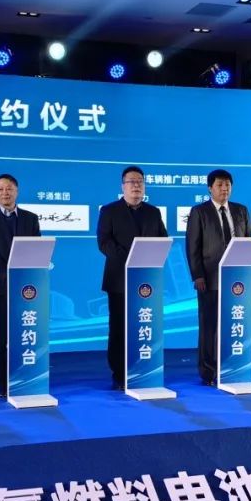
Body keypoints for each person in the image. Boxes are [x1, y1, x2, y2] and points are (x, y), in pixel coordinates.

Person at [96, 166, 168, 389]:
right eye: (131, 182)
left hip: (147, 281)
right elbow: (104, 243)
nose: (136, 185)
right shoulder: (109, 210)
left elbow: (163, 240)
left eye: (140, 182)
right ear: (123, 186)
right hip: (119, 278)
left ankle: (144, 367)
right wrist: (130, 258)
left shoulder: (153, 212)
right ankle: (119, 372)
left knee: (144, 324)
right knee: (119, 326)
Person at [185, 169, 251, 385]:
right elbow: (192, 247)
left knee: (235, 323)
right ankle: (209, 371)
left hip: (237, 280)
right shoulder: (199, 212)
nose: (224, 189)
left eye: (228, 185)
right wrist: (198, 276)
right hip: (209, 278)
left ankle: (232, 366)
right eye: (220, 185)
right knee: (209, 326)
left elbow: (248, 243)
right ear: (210, 188)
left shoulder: (241, 210)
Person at [0, 173, 40, 397]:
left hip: (26, 289)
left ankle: (26, 377)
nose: (5, 193)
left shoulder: (30, 218)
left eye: (9, 188)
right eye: (1, 189)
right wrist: (10, 272)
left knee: (24, 333)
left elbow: (36, 249)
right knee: (1, 336)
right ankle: (3, 383)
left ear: (17, 191)